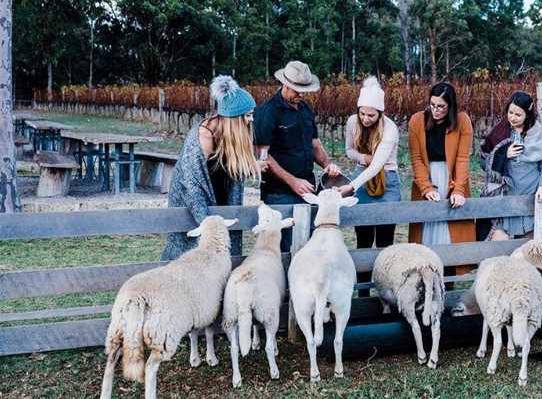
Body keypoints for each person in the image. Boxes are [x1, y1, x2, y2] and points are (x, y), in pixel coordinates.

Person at [161, 76, 266, 260]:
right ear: (234, 118)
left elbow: (225, 165)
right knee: (192, 254)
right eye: (248, 115)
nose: (251, 120)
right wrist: (207, 224)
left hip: (219, 196)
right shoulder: (203, 136)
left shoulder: (227, 133)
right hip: (192, 201)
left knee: (224, 253)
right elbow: (192, 185)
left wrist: (251, 165)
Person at [254, 60, 341, 253]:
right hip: (280, 193)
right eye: (297, 90)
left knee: (309, 245)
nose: (301, 94)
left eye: (305, 90)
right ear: (285, 84)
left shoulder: (305, 109)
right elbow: (263, 156)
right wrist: (292, 181)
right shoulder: (268, 112)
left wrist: (328, 165)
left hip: (308, 190)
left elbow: (314, 144)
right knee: (286, 248)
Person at [336, 76, 401, 296]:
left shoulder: (390, 129)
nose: (365, 118)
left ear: (380, 113)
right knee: (363, 238)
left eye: (371, 115)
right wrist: (362, 157)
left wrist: (350, 187)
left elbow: (377, 166)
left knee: (385, 241)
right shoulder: (352, 123)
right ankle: (363, 293)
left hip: (387, 181)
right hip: (361, 178)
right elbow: (349, 151)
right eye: (362, 113)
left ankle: (385, 293)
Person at [479, 91, 542, 240]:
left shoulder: (540, 134)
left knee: (527, 251)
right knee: (498, 247)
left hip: (529, 200)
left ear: (528, 114)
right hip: (502, 198)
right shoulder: (500, 131)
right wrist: (503, 154)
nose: (512, 117)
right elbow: (483, 161)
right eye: (510, 112)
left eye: (518, 115)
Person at [407, 82, 474, 250]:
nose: (436, 110)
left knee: (452, 227)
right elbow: (416, 159)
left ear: (450, 106)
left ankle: (451, 270)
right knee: (426, 227)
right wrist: (426, 187)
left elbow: (462, 158)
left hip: (451, 177)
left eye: (441, 106)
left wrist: (459, 189)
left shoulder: (462, 121)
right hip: (427, 177)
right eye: (432, 105)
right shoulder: (416, 121)